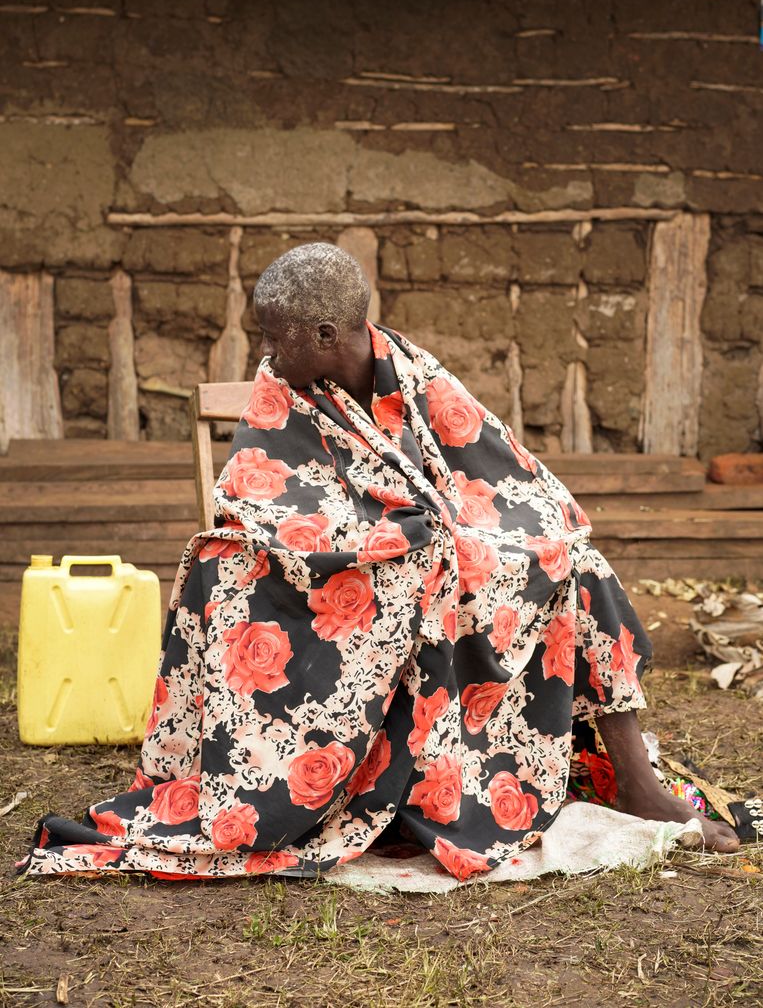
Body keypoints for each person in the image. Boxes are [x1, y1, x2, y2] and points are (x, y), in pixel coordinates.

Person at [18, 242, 739, 883]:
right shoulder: (280, 394)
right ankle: (395, 784)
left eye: (276, 335)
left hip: (440, 561)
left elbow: (510, 482)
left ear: (328, 334)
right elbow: (259, 502)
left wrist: (472, 543)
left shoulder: (418, 378)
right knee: (367, 576)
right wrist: (400, 541)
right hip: (334, 577)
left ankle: (633, 785)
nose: (265, 352)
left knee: (578, 568)